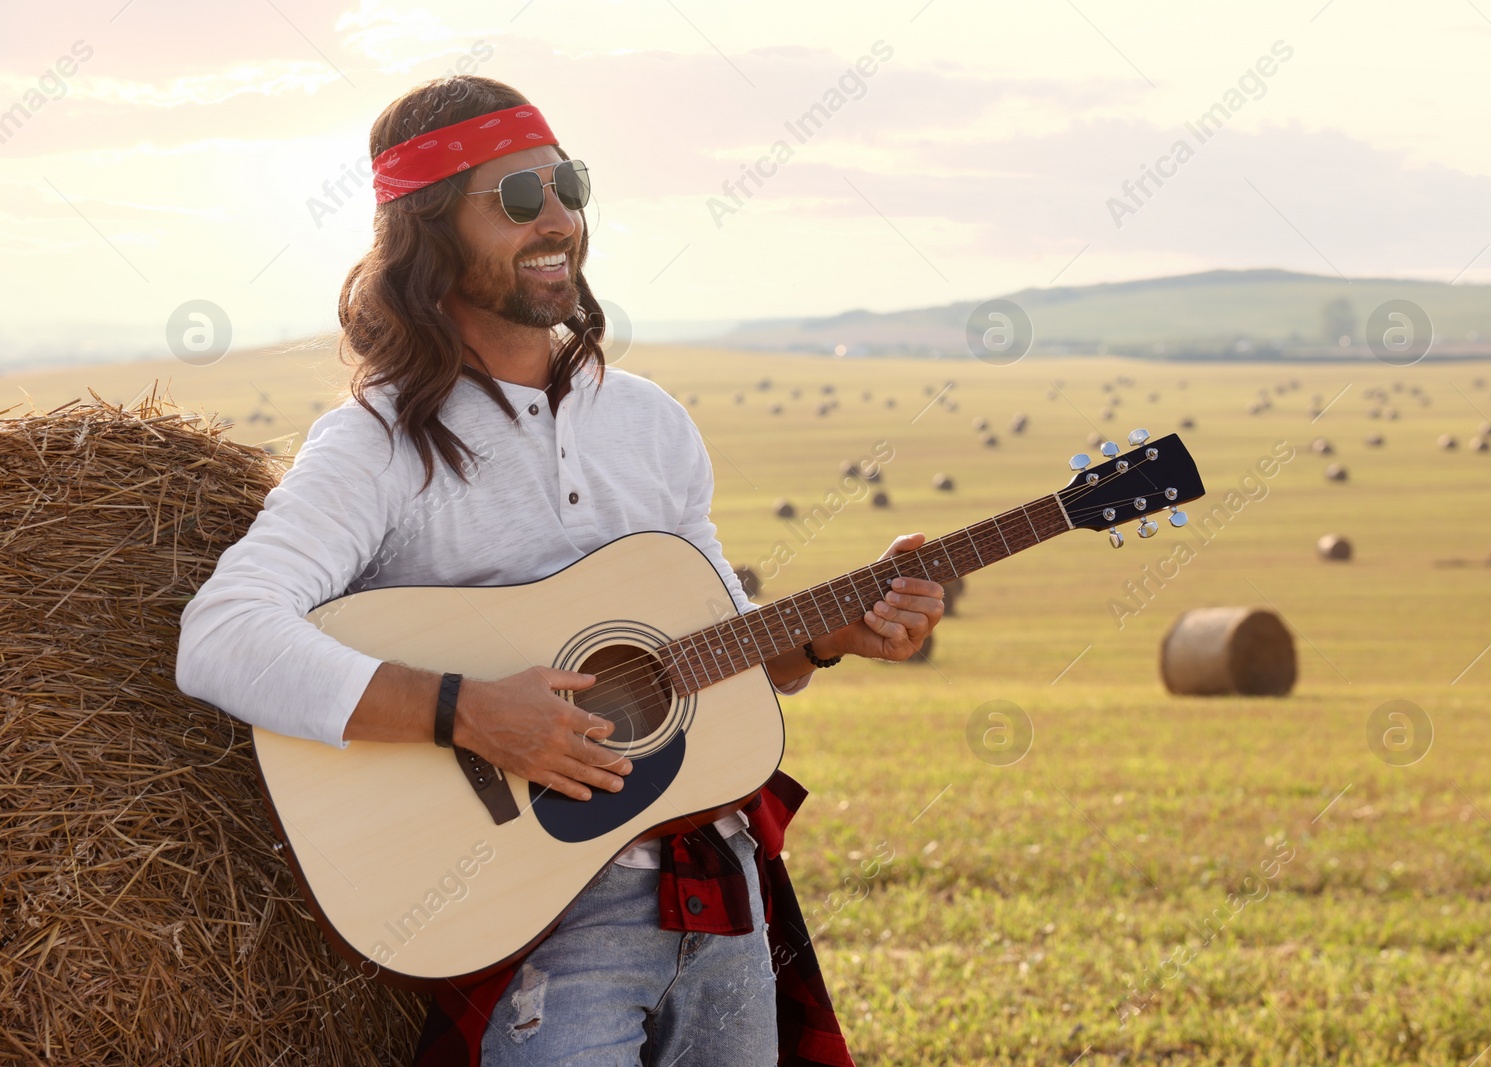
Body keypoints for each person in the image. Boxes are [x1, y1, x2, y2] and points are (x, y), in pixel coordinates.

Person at [175, 74, 945, 1067]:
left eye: (569, 187)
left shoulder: (650, 422)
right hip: (532, 910)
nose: (559, 221)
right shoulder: (375, 443)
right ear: (427, 230)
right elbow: (224, 633)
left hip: (714, 879)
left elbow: (716, 655)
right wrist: (464, 708)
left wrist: (829, 636)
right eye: (518, 199)